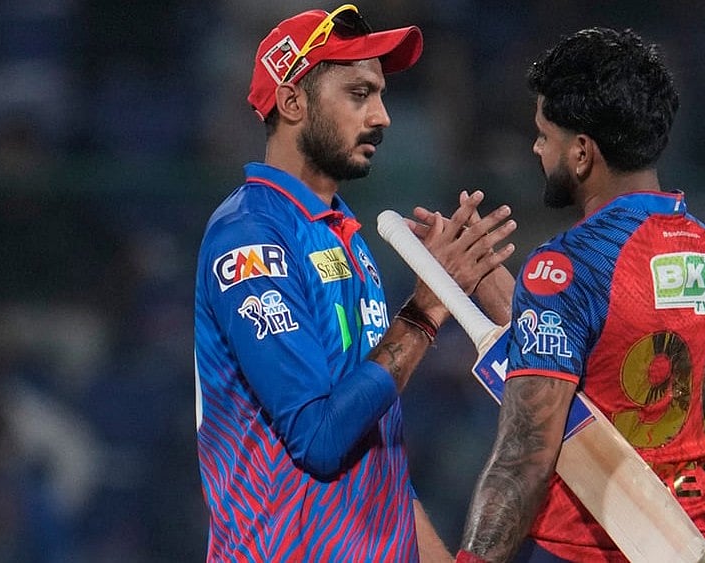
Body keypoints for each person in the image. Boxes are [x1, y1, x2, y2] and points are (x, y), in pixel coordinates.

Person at [193, 5, 516, 561]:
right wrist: (424, 312)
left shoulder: (345, 239)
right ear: (293, 101)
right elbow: (320, 438)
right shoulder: (250, 238)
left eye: (381, 95)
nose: (383, 116)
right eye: (359, 94)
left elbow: (374, 452)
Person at [434, 27, 705, 563]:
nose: (535, 147)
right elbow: (600, 355)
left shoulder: (568, 265)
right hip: (700, 544)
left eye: (543, 134)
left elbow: (524, 458)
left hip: (586, 549)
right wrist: (486, 280)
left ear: (581, 152)